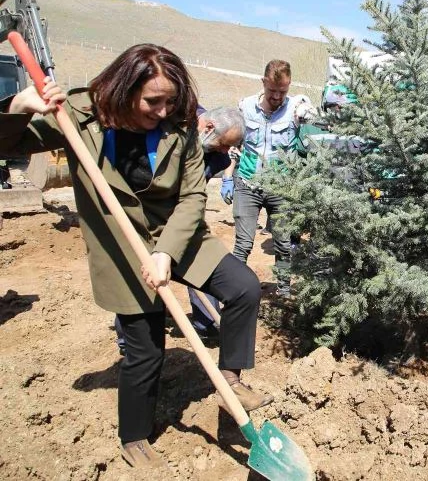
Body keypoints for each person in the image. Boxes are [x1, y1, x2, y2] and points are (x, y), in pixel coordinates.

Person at [0, 44, 268, 468]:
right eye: (152, 101)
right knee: (146, 347)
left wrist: (165, 252)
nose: (163, 111)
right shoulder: (78, 114)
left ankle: (230, 379)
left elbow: (194, 194)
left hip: (176, 232)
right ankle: (135, 437)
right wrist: (21, 104)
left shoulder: (180, 124)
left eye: (171, 101)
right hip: (121, 244)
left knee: (244, 287)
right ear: (125, 88)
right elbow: (7, 143)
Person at [114, 105, 246, 353]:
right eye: (224, 144)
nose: (226, 151)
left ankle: (206, 325)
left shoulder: (213, 151)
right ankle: (127, 338)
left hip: (183, 219)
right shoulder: (171, 124)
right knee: (138, 272)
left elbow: (195, 192)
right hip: (146, 218)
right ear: (208, 128)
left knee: (201, 263)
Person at [227, 59, 314, 297]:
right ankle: (234, 291)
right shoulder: (245, 107)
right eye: (272, 90)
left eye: (283, 91)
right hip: (247, 184)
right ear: (263, 82)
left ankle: (283, 290)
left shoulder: (296, 109)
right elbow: (233, 141)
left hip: (281, 188)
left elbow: (313, 124)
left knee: (284, 244)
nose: (277, 96)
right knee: (243, 244)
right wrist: (228, 173)